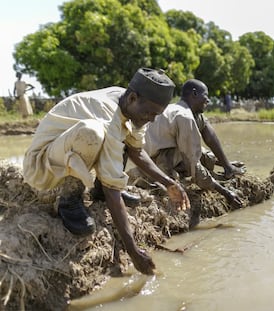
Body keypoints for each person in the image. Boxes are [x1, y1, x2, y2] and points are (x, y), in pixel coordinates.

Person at [23, 68, 191, 275]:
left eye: (157, 115)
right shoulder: (109, 115)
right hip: (42, 166)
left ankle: (97, 190)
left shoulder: (132, 103)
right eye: (150, 113)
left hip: (67, 151)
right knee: (92, 133)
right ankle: (69, 198)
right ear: (132, 98)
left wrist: (168, 183)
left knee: (124, 134)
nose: (152, 119)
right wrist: (133, 251)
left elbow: (136, 151)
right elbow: (114, 189)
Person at [143, 79, 245, 210]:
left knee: (196, 146)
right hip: (157, 164)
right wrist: (226, 193)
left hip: (163, 156)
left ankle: (227, 167)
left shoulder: (182, 110)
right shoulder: (184, 117)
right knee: (193, 164)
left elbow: (207, 138)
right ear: (195, 94)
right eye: (206, 96)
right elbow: (194, 165)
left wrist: (226, 164)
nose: (208, 101)